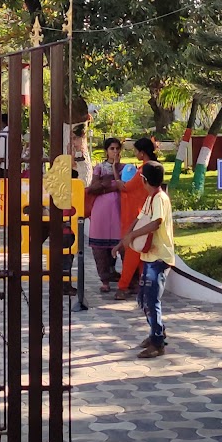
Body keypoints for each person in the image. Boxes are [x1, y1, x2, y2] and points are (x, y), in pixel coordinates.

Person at [118, 161, 175, 359]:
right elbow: (139, 218)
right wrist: (125, 238)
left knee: (151, 300)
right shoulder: (150, 198)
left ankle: (157, 342)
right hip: (150, 256)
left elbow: (155, 222)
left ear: (143, 180)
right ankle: (157, 333)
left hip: (159, 257)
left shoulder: (160, 198)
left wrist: (132, 237)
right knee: (143, 299)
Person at [117, 136, 159, 299]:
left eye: (135, 150)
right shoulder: (151, 167)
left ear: (142, 153)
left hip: (140, 215)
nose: (134, 153)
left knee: (133, 252)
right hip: (145, 213)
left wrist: (117, 179)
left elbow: (126, 187)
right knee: (143, 253)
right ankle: (143, 286)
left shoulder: (143, 171)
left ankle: (123, 286)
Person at [84, 137, 124, 298]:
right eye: (111, 149)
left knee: (117, 243)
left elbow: (124, 186)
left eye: (117, 149)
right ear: (106, 150)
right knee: (100, 246)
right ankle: (105, 280)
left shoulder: (125, 168)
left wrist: (111, 178)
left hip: (118, 209)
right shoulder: (99, 168)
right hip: (101, 209)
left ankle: (115, 273)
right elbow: (93, 188)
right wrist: (110, 185)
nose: (114, 151)